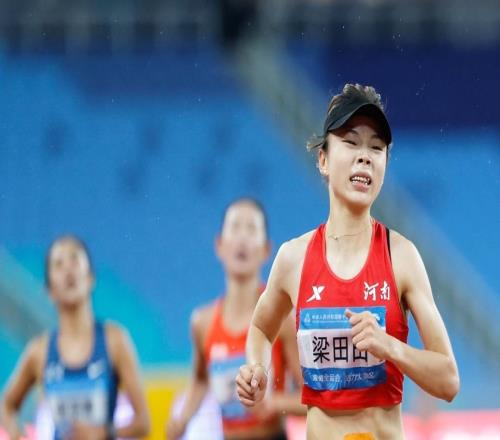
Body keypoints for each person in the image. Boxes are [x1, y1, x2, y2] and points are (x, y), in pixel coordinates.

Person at [236, 84, 460, 440]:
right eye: (351, 142)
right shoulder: (294, 259)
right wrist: (258, 369)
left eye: (376, 148)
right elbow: (262, 329)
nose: (365, 156)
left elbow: (448, 380)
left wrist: (389, 346)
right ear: (323, 160)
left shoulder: (401, 257)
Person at [167, 198, 305, 440]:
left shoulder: (282, 317)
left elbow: (312, 396)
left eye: (251, 229)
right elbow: (200, 380)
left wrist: (273, 402)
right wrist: (183, 418)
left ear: (266, 250)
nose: (242, 239)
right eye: (235, 227)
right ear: (219, 245)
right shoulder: (202, 322)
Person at [0, 235, 150, 440]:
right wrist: (18, 436)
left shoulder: (115, 341)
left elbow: (143, 423)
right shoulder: (39, 351)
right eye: (59, 264)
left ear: (90, 278)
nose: (68, 271)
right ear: (49, 290)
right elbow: (6, 406)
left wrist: (102, 433)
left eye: (75, 260)